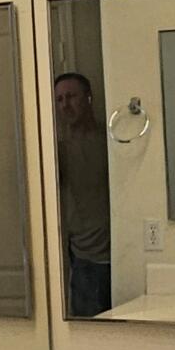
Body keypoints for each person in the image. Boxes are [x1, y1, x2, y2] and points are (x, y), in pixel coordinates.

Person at [54, 71, 111, 317]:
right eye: (59, 99)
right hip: (82, 255)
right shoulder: (57, 147)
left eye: (71, 96)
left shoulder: (110, 139)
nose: (65, 105)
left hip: (120, 251)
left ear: (88, 98)